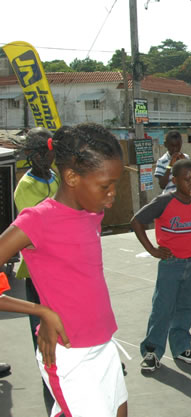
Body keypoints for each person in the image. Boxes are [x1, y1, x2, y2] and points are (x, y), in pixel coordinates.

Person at [0, 122, 128, 417]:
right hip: (71, 354)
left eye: (115, 185)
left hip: (104, 343)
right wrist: (42, 311)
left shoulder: (92, 212)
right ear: (71, 177)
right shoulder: (38, 220)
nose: (112, 195)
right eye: (105, 186)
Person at [132, 159, 191, 372]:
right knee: (163, 308)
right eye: (187, 179)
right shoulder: (163, 201)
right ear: (174, 180)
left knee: (186, 306)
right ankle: (152, 351)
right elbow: (136, 221)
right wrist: (153, 250)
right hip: (171, 264)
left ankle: (182, 348)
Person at [13, 127, 59, 411]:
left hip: (61, 271)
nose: (47, 159)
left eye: (50, 153)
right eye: (41, 153)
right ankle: (52, 399)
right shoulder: (26, 187)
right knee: (44, 341)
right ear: (31, 155)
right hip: (38, 274)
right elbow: (42, 229)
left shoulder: (55, 178)